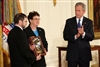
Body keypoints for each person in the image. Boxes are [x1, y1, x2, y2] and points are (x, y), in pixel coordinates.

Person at [63, 2, 94, 67]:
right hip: (72, 55)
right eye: (76, 10)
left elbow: (91, 37)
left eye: (79, 11)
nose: (77, 12)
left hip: (84, 54)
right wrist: (75, 36)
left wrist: (83, 33)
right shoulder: (69, 21)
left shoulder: (89, 22)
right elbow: (65, 36)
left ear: (84, 11)